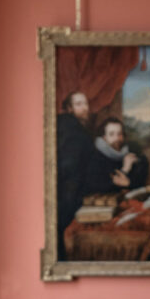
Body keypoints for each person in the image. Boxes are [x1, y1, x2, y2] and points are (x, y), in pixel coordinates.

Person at [56, 91, 93, 257]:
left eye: (85, 103)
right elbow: (69, 164)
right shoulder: (73, 129)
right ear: (69, 108)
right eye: (79, 104)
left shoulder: (74, 127)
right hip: (69, 190)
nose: (85, 108)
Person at [83, 117, 148, 197]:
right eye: (111, 134)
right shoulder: (95, 157)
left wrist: (129, 183)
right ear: (104, 137)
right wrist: (125, 169)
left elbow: (139, 184)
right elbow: (98, 187)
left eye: (119, 134)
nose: (117, 138)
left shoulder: (129, 154)